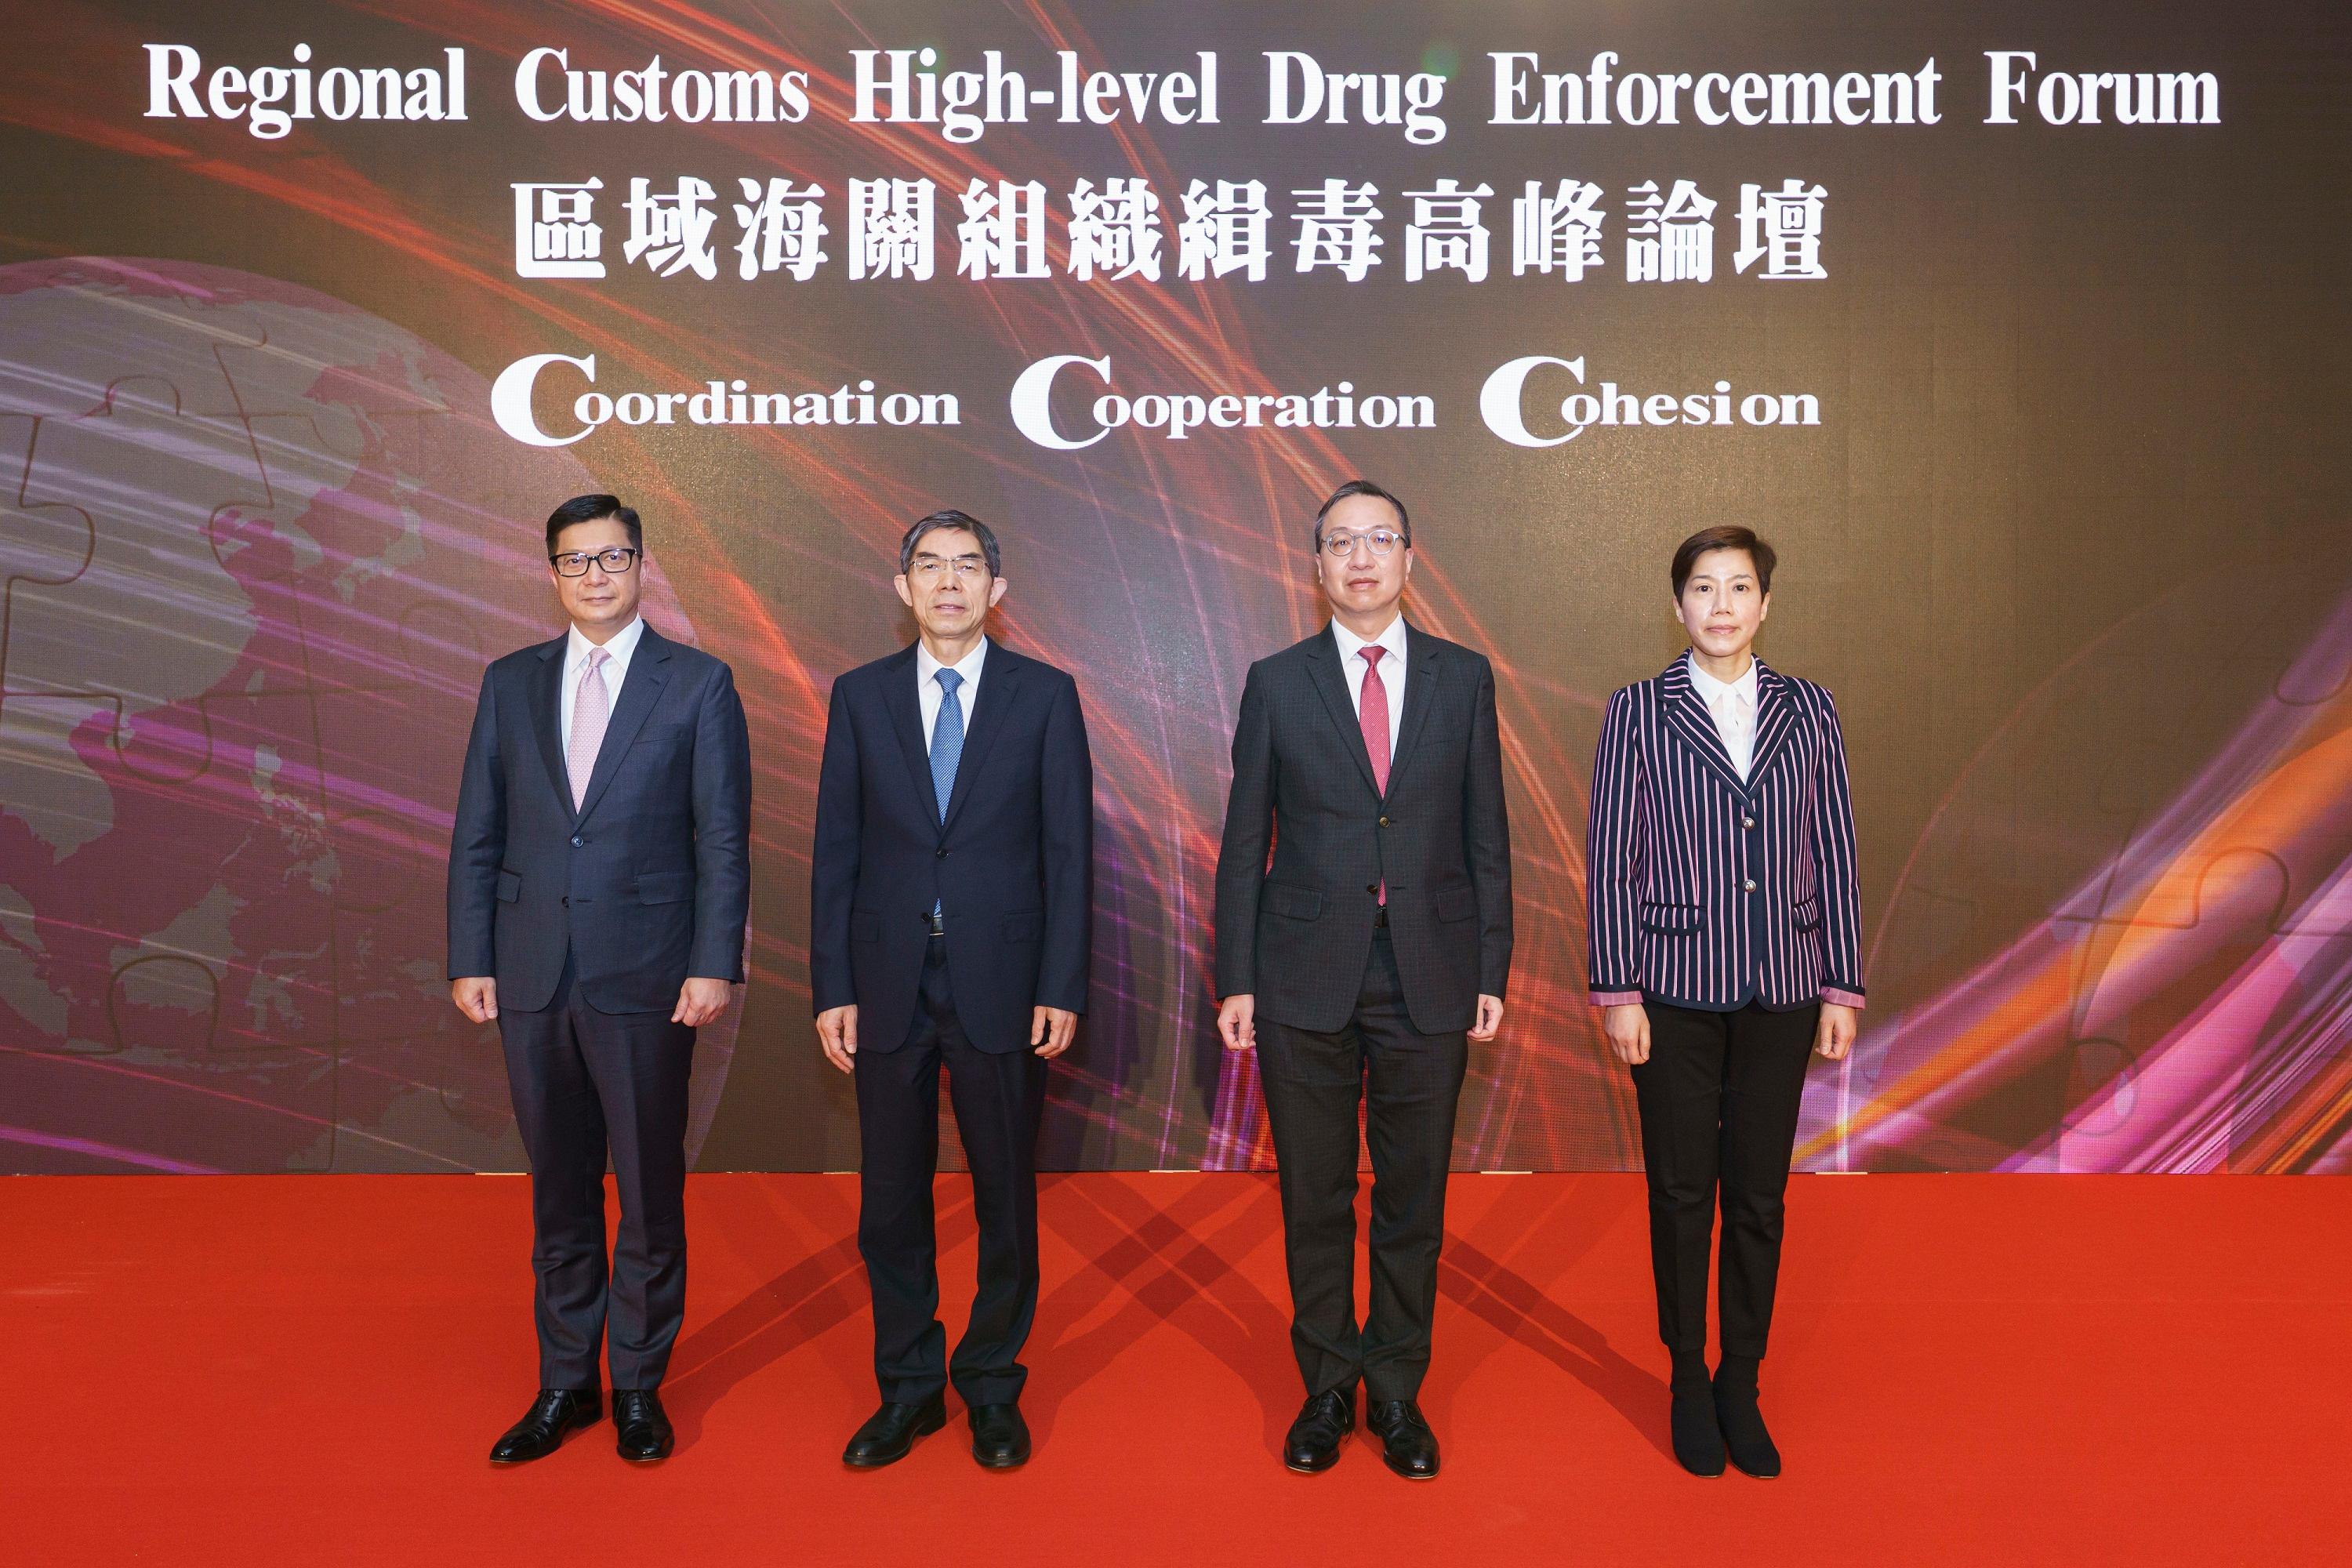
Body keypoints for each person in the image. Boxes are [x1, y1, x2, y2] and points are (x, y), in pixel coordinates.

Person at [1213, 479, 1512, 1479]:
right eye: (1341, 541)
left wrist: (1492, 962)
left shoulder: (1463, 676)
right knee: (1315, 1192)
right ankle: (1327, 1385)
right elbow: (1244, 838)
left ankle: (1396, 1389)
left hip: (1432, 966)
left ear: (1410, 558)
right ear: (1317, 564)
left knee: (1413, 1197)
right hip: (1301, 972)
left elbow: (1487, 831)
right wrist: (1237, 975)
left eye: (1380, 538)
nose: (1361, 557)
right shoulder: (1277, 680)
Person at [448, 494, 752, 1465]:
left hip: (651, 975)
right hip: (531, 971)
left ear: (640, 564)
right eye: (574, 560)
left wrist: (713, 961)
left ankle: (640, 1385)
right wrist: (471, 954)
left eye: (611, 556)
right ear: (552, 572)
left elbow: (722, 839)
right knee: (559, 1189)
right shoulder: (510, 682)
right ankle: (566, 1381)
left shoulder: (698, 683)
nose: (594, 575)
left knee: (650, 1192)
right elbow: (478, 830)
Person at [809, 509, 1092, 1471]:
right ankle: (908, 1388)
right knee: (890, 1199)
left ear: (996, 590)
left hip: (1005, 981)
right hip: (886, 979)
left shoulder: (1044, 695)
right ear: (903, 587)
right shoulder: (860, 695)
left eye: (968, 565)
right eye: (929, 566)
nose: (948, 582)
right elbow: (836, 851)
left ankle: (992, 1384)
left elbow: (1069, 852)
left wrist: (1061, 982)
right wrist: (833, 984)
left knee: (1005, 1194)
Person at [1584, 524, 1863, 1479]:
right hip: (1671, 990)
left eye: (1739, 587)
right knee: (1679, 1190)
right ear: (1678, 605)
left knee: (1758, 1193)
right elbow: (1612, 859)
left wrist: (1840, 983)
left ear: (1765, 603)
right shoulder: (1637, 710)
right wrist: (1619, 989)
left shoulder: (1809, 707)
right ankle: (1686, 1375)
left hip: (1783, 987)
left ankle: (1741, 1377)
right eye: (1703, 588)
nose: (1721, 605)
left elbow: (1835, 849)